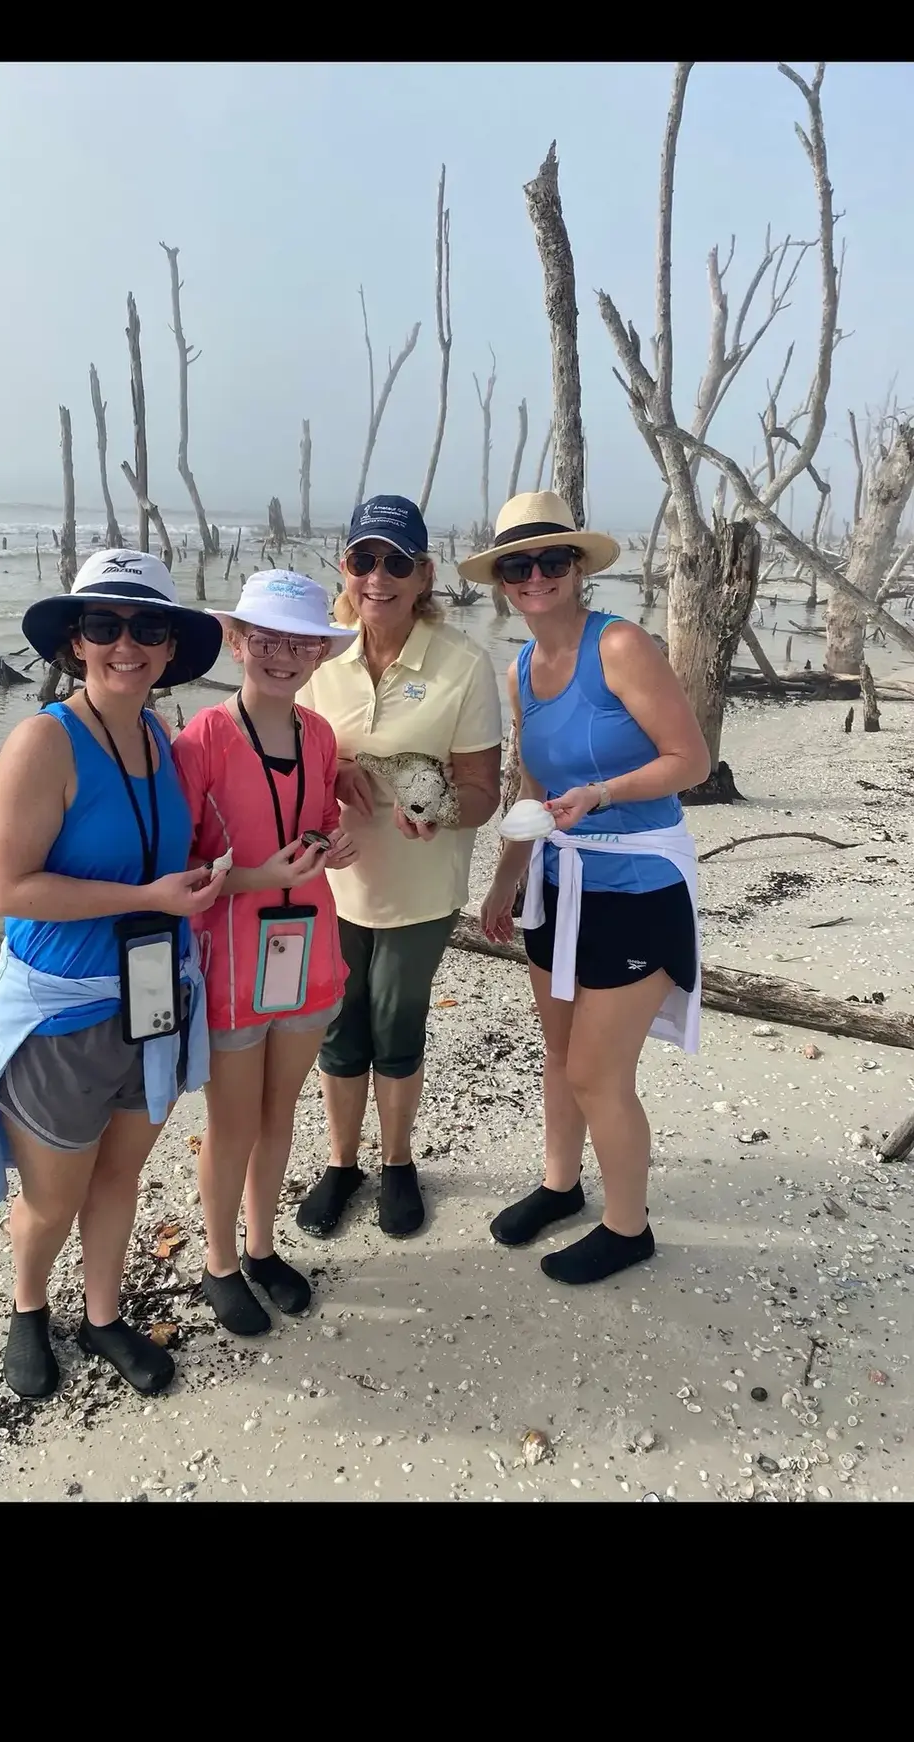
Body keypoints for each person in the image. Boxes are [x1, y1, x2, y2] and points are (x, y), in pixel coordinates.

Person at [0, 549, 226, 1401]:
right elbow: (9, 888)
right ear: (75, 641)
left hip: (150, 998)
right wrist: (146, 894)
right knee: (52, 1195)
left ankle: (104, 1316)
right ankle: (29, 1307)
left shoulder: (156, 733)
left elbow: (170, 860)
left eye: (148, 627)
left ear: (168, 646)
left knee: (121, 1174)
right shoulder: (45, 740)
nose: (128, 645)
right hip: (63, 1014)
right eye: (105, 626)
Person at [467, 492, 710, 1286]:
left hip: (638, 886)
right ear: (502, 581)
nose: (535, 576)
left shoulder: (622, 646)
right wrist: (506, 876)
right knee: (562, 1054)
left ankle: (627, 1226)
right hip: (558, 882)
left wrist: (605, 793)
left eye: (550, 560)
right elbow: (532, 782)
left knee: (597, 1074)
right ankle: (560, 1184)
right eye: (517, 565)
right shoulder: (521, 670)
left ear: (576, 569)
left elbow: (690, 759)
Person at [294, 494, 503, 1242]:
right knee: (337, 1027)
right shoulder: (318, 659)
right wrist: (333, 773)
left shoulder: (463, 666)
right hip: (331, 882)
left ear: (424, 574)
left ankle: (400, 1162)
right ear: (345, 568)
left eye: (396, 562)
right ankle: (343, 1163)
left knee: (394, 1019)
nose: (377, 577)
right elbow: (287, 762)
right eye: (363, 559)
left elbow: (484, 791)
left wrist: (441, 809)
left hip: (420, 888)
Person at [172, 572, 359, 1336]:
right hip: (231, 964)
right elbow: (180, 868)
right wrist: (255, 877)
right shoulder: (203, 739)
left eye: (299, 642)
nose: (281, 656)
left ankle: (260, 1246)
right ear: (240, 643)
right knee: (232, 1120)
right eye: (267, 640)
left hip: (308, 953)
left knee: (280, 1109)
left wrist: (333, 844)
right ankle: (219, 1262)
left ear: (319, 652)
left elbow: (317, 821)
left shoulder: (319, 736)